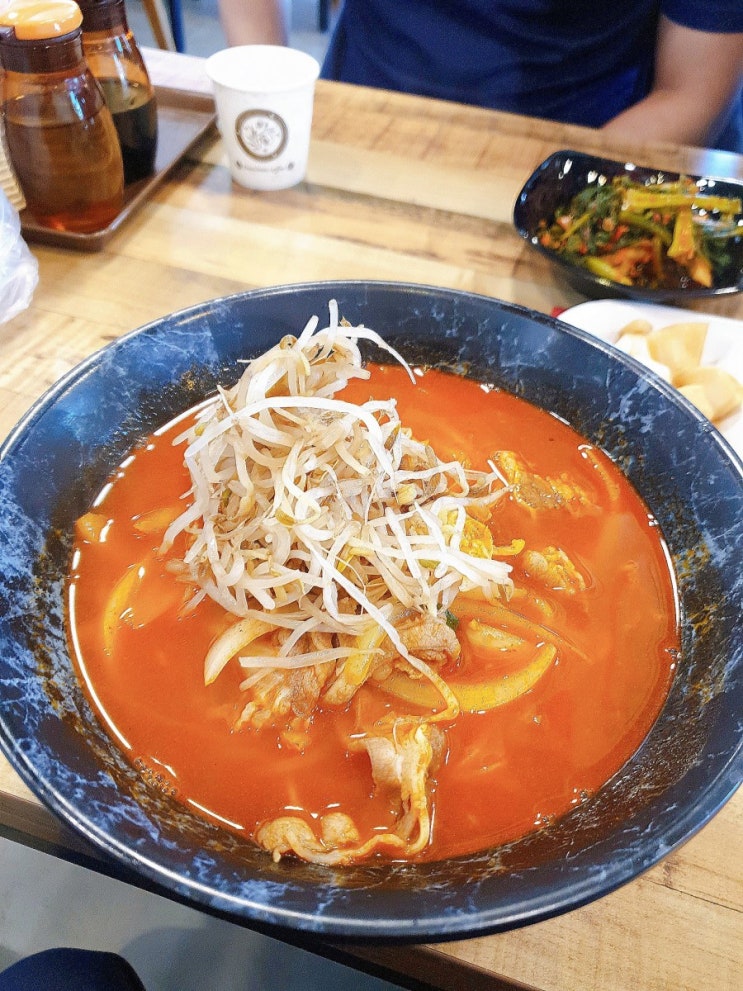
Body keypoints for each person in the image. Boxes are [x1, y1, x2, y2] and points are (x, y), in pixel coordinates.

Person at [217, 0, 743, 151]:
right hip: (356, 125)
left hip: (579, 148)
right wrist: (268, 105)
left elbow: (693, 94)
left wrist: (554, 199)